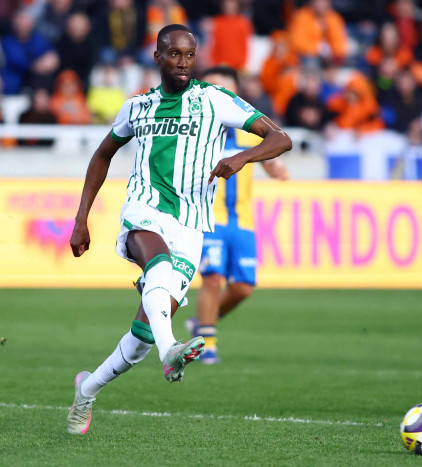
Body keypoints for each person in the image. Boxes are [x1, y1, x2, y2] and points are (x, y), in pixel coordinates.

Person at [67, 24, 291, 435]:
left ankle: (87, 389)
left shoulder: (215, 99)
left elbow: (280, 139)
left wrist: (243, 157)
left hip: (191, 224)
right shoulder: (137, 107)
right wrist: (82, 218)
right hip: (146, 207)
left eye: (189, 55)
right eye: (174, 54)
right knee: (159, 266)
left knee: (141, 336)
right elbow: (102, 155)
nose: (183, 62)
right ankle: (171, 351)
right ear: (157, 57)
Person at [185, 65, 289, 364]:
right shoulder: (196, 129)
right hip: (208, 218)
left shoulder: (250, 130)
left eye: (222, 87)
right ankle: (207, 344)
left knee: (243, 288)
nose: (215, 92)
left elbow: (268, 154)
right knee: (212, 277)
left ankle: (202, 322)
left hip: (242, 221)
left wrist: (275, 169)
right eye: (210, 86)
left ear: (235, 93)